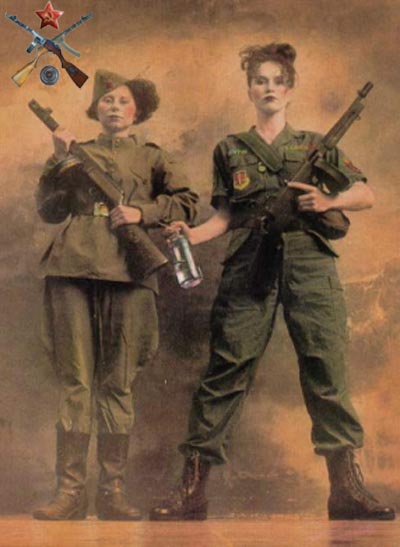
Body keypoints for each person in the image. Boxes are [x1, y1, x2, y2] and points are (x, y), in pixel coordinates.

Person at [149, 43, 395, 521]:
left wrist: (328, 201)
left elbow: (364, 193)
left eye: (277, 81)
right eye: (260, 80)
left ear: (290, 89)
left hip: (310, 265)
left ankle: (345, 490)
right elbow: (226, 216)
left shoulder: (315, 145)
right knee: (226, 370)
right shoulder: (231, 149)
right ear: (249, 89)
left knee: (326, 370)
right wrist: (191, 234)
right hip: (250, 264)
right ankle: (192, 490)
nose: (269, 88)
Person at [33, 69, 198, 521]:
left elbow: (188, 202)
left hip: (128, 270)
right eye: (106, 100)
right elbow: (49, 211)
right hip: (71, 267)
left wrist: (141, 212)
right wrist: (57, 161)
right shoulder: (74, 153)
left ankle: (112, 492)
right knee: (75, 381)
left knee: (118, 382)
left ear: (137, 111)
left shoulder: (152, 156)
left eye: (123, 101)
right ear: (95, 109)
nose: (114, 107)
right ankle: (70, 493)